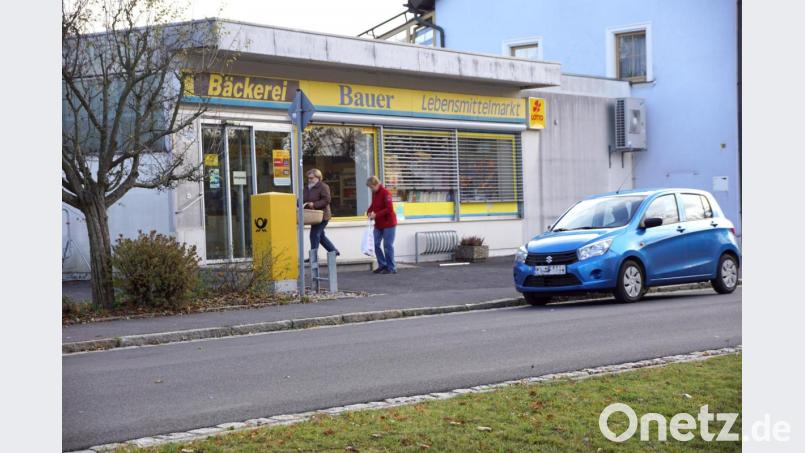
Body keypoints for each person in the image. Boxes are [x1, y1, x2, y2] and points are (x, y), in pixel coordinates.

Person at [303, 168, 339, 260]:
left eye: (311, 178)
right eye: (308, 178)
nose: (309, 180)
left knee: (314, 235)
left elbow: (327, 200)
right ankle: (333, 251)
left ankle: (313, 257)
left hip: (322, 216)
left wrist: (314, 204)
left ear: (318, 178)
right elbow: (304, 198)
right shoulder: (307, 187)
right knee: (320, 236)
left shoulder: (323, 186)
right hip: (314, 216)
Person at [365, 176, 397, 274]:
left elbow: (389, 209)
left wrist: (376, 215)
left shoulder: (386, 193)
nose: (371, 189)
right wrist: (369, 212)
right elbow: (373, 205)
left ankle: (391, 268)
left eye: (371, 187)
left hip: (389, 223)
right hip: (379, 224)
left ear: (376, 184)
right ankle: (382, 265)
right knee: (375, 244)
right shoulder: (375, 193)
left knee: (387, 245)